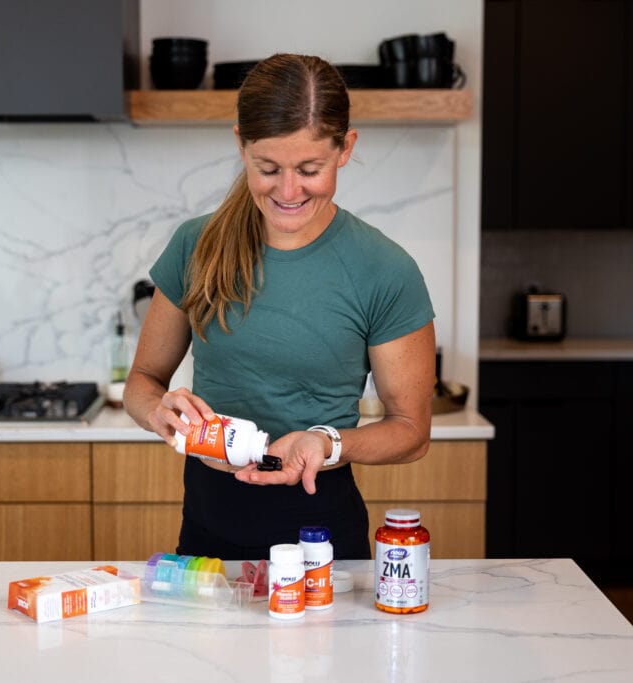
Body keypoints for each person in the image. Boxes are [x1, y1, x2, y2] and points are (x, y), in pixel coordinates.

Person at [124, 53, 436, 561]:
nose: (288, 191)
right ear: (240, 147)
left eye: (309, 169)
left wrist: (327, 443)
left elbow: (411, 433)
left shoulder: (384, 269)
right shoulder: (196, 244)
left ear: (345, 148)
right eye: (267, 168)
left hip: (322, 541)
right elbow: (142, 380)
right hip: (205, 535)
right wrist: (160, 413)